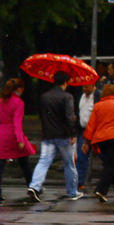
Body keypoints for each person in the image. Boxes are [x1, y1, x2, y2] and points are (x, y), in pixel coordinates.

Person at [27, 71, 81, 202]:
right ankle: (72, 191)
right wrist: (73, 133)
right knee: (69, 164)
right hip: (63, 135)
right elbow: (69, 117)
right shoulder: (67, 97)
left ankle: (35, 186)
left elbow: (41, 115)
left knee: (44, 161)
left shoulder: (44, 96)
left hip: (47, 134)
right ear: (66, 82)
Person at [0, 78, 36, 203]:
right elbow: (17, 122)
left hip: (1, 133)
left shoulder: (0, 101)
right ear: (19, 89)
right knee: (24, 162)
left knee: (0, 164)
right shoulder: (18, 102)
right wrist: (20, 139)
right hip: (13, 135)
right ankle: (33, 186)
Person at [75, 83, 97, 191]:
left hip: (95, 129)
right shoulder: (82, 97)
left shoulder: (97, 96)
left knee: (103, 156)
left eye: (87, 87)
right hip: (84, 130)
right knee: (81, 155)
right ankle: (80, 181)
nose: (84, 89)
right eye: (83, 87)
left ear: (93, 86)